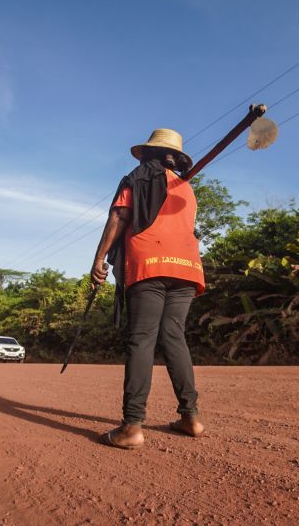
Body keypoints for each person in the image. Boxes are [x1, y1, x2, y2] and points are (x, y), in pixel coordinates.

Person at [91, 128, 206, 450]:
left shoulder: (137, 177)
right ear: (176, 158)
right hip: (187, 267)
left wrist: (99, 258)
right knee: (174, 337)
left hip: (149, 264)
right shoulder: (187, 187)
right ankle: (191, 417)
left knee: (142, 339)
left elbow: (118, 216)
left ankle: (132, 426)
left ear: (148, 154)